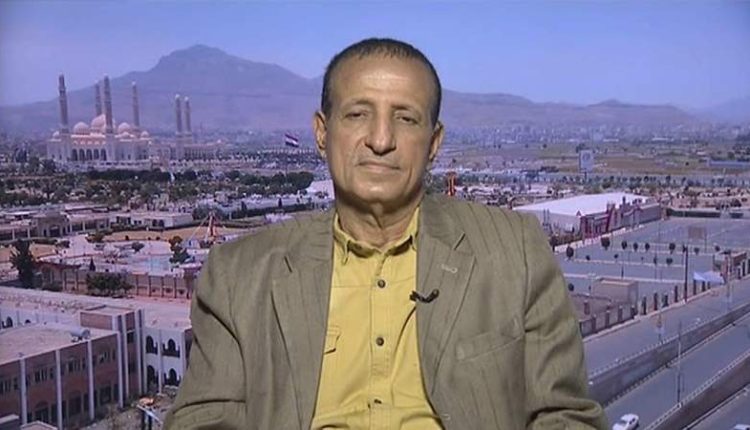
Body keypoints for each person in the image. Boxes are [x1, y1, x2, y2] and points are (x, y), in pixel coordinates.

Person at [165, 37, 608, 429]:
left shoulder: (515, 252)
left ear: (434, 143)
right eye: (358, 114)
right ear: (322, 133)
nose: (381, 139)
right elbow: (203, 421)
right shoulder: (240, 276)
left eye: (406, 119)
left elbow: (565, 415)